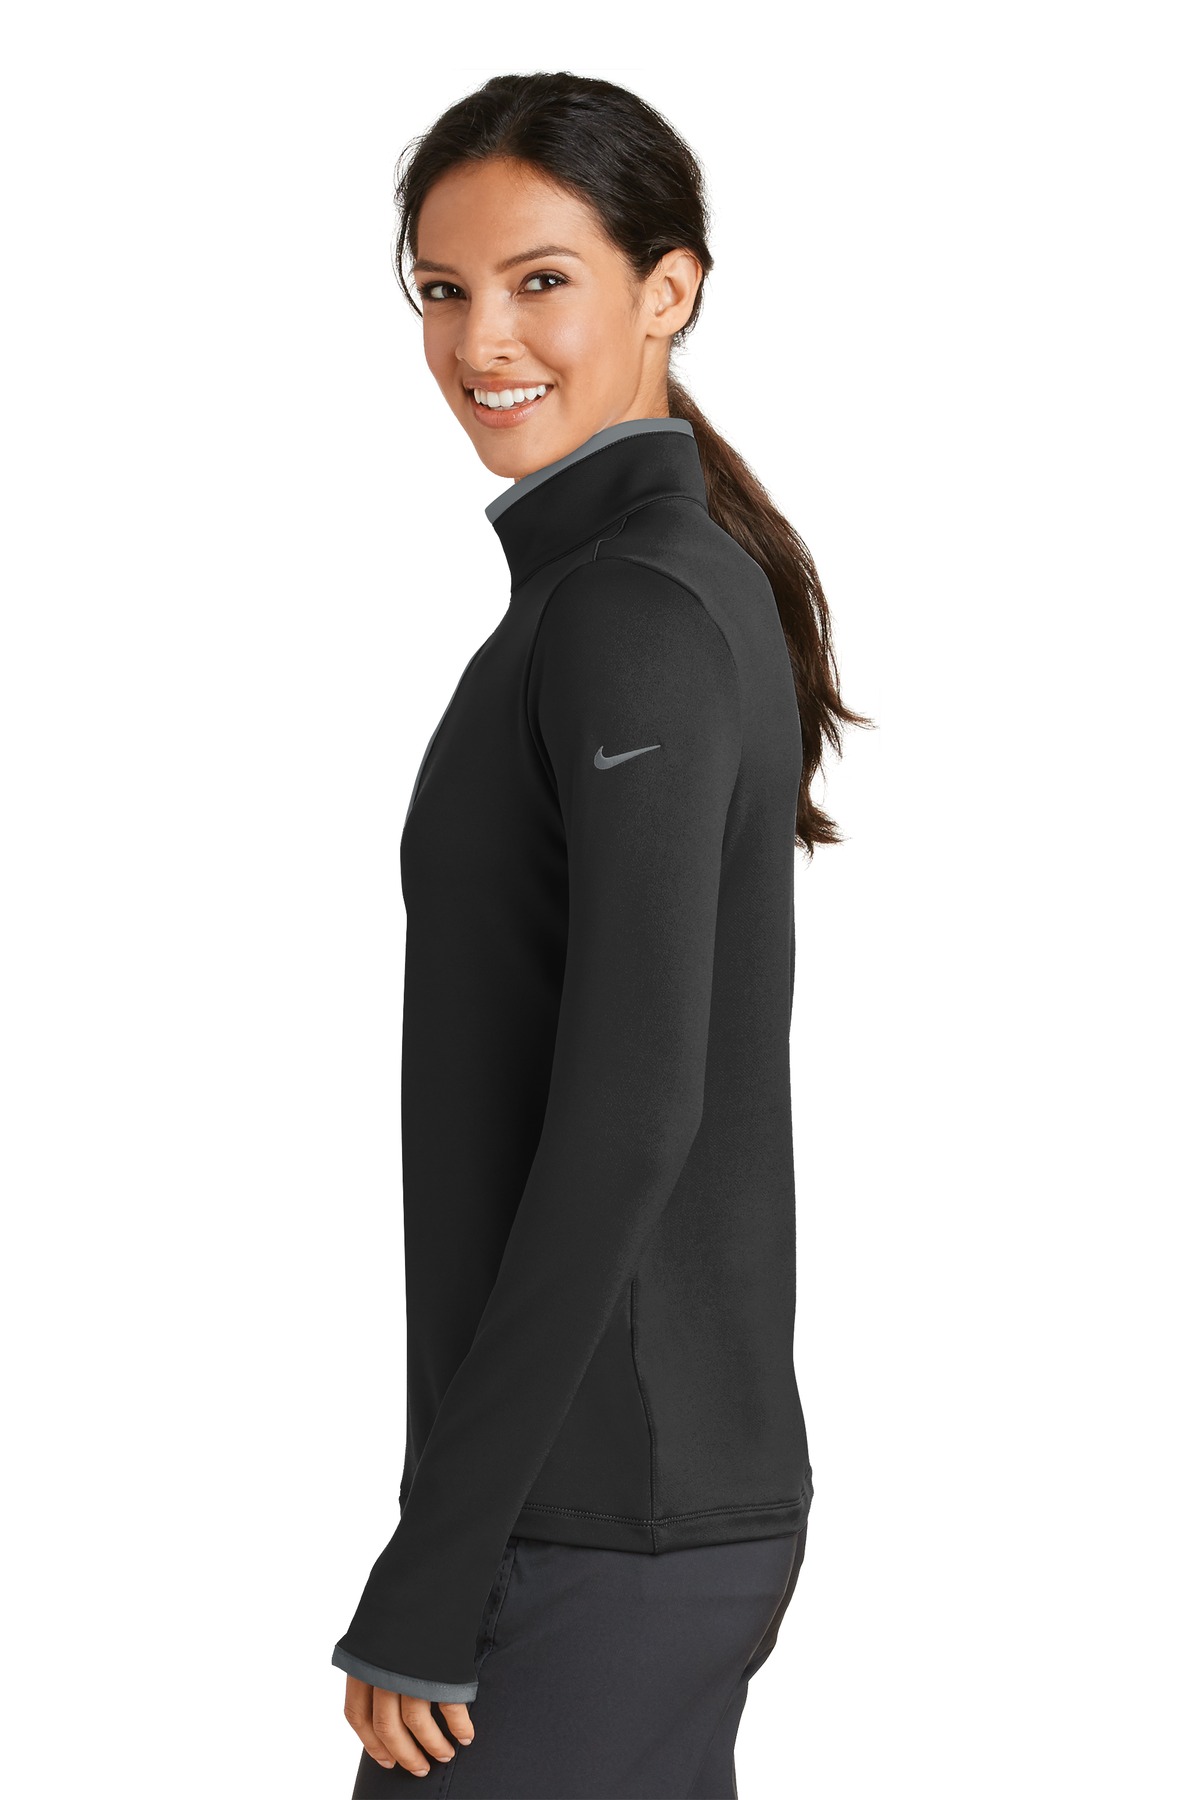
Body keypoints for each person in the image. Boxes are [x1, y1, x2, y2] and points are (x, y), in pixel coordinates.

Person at [331, 71, 869, 1799]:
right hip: (634, 1512)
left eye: (541, 280)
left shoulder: (630, 609)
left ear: (669, 290)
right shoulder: (640, 588)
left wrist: (439, 1560)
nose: (480, 338)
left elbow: (633, 1113)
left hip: (598, 1526)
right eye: (443, 288)